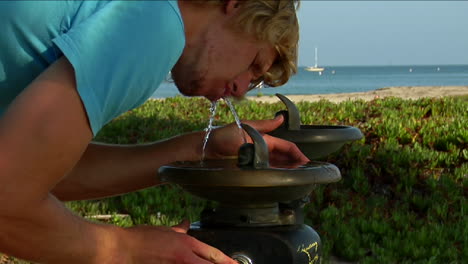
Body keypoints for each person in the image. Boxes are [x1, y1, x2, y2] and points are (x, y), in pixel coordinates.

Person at [0, 0, 305, 263]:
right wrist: (128, 250)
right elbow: (7, 200)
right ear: (235, 4)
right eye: (253, 63)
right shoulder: (157, 27)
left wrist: (199, 150)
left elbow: (36, 172)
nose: (240, 89)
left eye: (254, 82)